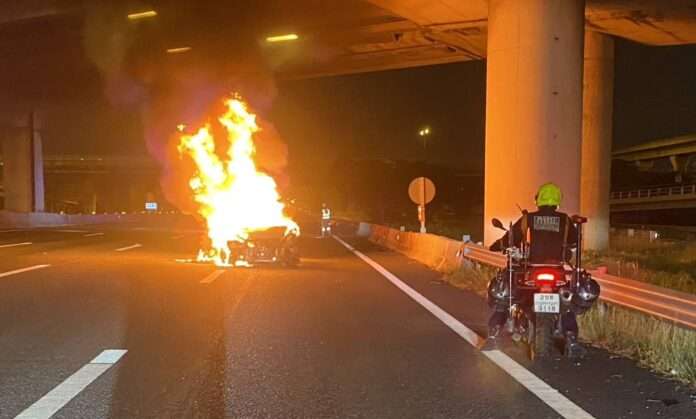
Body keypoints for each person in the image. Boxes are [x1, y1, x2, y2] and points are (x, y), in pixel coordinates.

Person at [485, 182, 585, 358]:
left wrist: (496, 245)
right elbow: (574, 241)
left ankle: (493, 337)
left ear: (538, 200)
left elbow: (511, 238)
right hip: (556, 270)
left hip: (531, 268)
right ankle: (572, 342)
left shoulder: (527, 219)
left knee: (505, 298)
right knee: (567, 305)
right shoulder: (565, 220)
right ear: (557, 201)